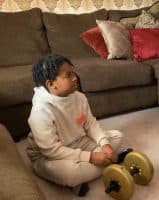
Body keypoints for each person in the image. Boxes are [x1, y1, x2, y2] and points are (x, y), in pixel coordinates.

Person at [26, 54, 123, 196]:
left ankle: (101, 164)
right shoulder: (40, 111)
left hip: (77, 141)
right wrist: (91, 157)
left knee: (117, 137)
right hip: (47, 156)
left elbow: (90, 124)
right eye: (68, 75)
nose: (75, 77)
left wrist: (104, 145)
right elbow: (51, 151)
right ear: (51, 84)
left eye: (73, 72)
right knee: (71, 174)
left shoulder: (79, 97)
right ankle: (109, 163)